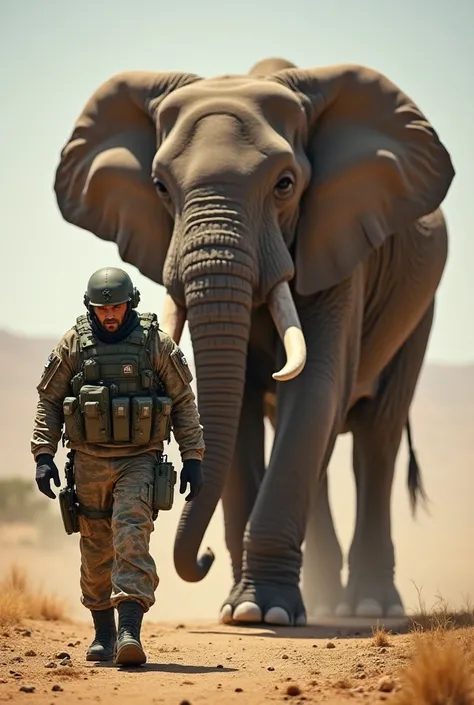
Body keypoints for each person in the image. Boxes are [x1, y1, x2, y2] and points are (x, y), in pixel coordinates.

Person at [31, 267, 205, 667]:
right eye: (102, 308)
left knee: (130, 533)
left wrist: (192, 457)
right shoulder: (74, 343)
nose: (109, 314)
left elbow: (183, 401)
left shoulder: (154, 344)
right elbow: (50, 401)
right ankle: (103, 633)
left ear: (132, 303)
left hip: (138, 460)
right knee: (95, 547)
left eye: (116, 306)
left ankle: (129, 631)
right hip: (88, 463)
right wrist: (43, 455)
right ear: (91, 307)